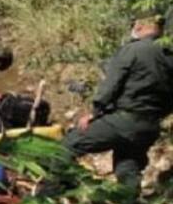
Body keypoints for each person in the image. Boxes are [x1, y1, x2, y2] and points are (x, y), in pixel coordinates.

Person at [62, 10, 173, 193]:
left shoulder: (132, 50)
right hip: (150, 126)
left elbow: (111, 85)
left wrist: (94, 112)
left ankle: (52, 197)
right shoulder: (169, 56)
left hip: (124, 120)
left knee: (68, 145)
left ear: (139, 25)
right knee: (127, 166)